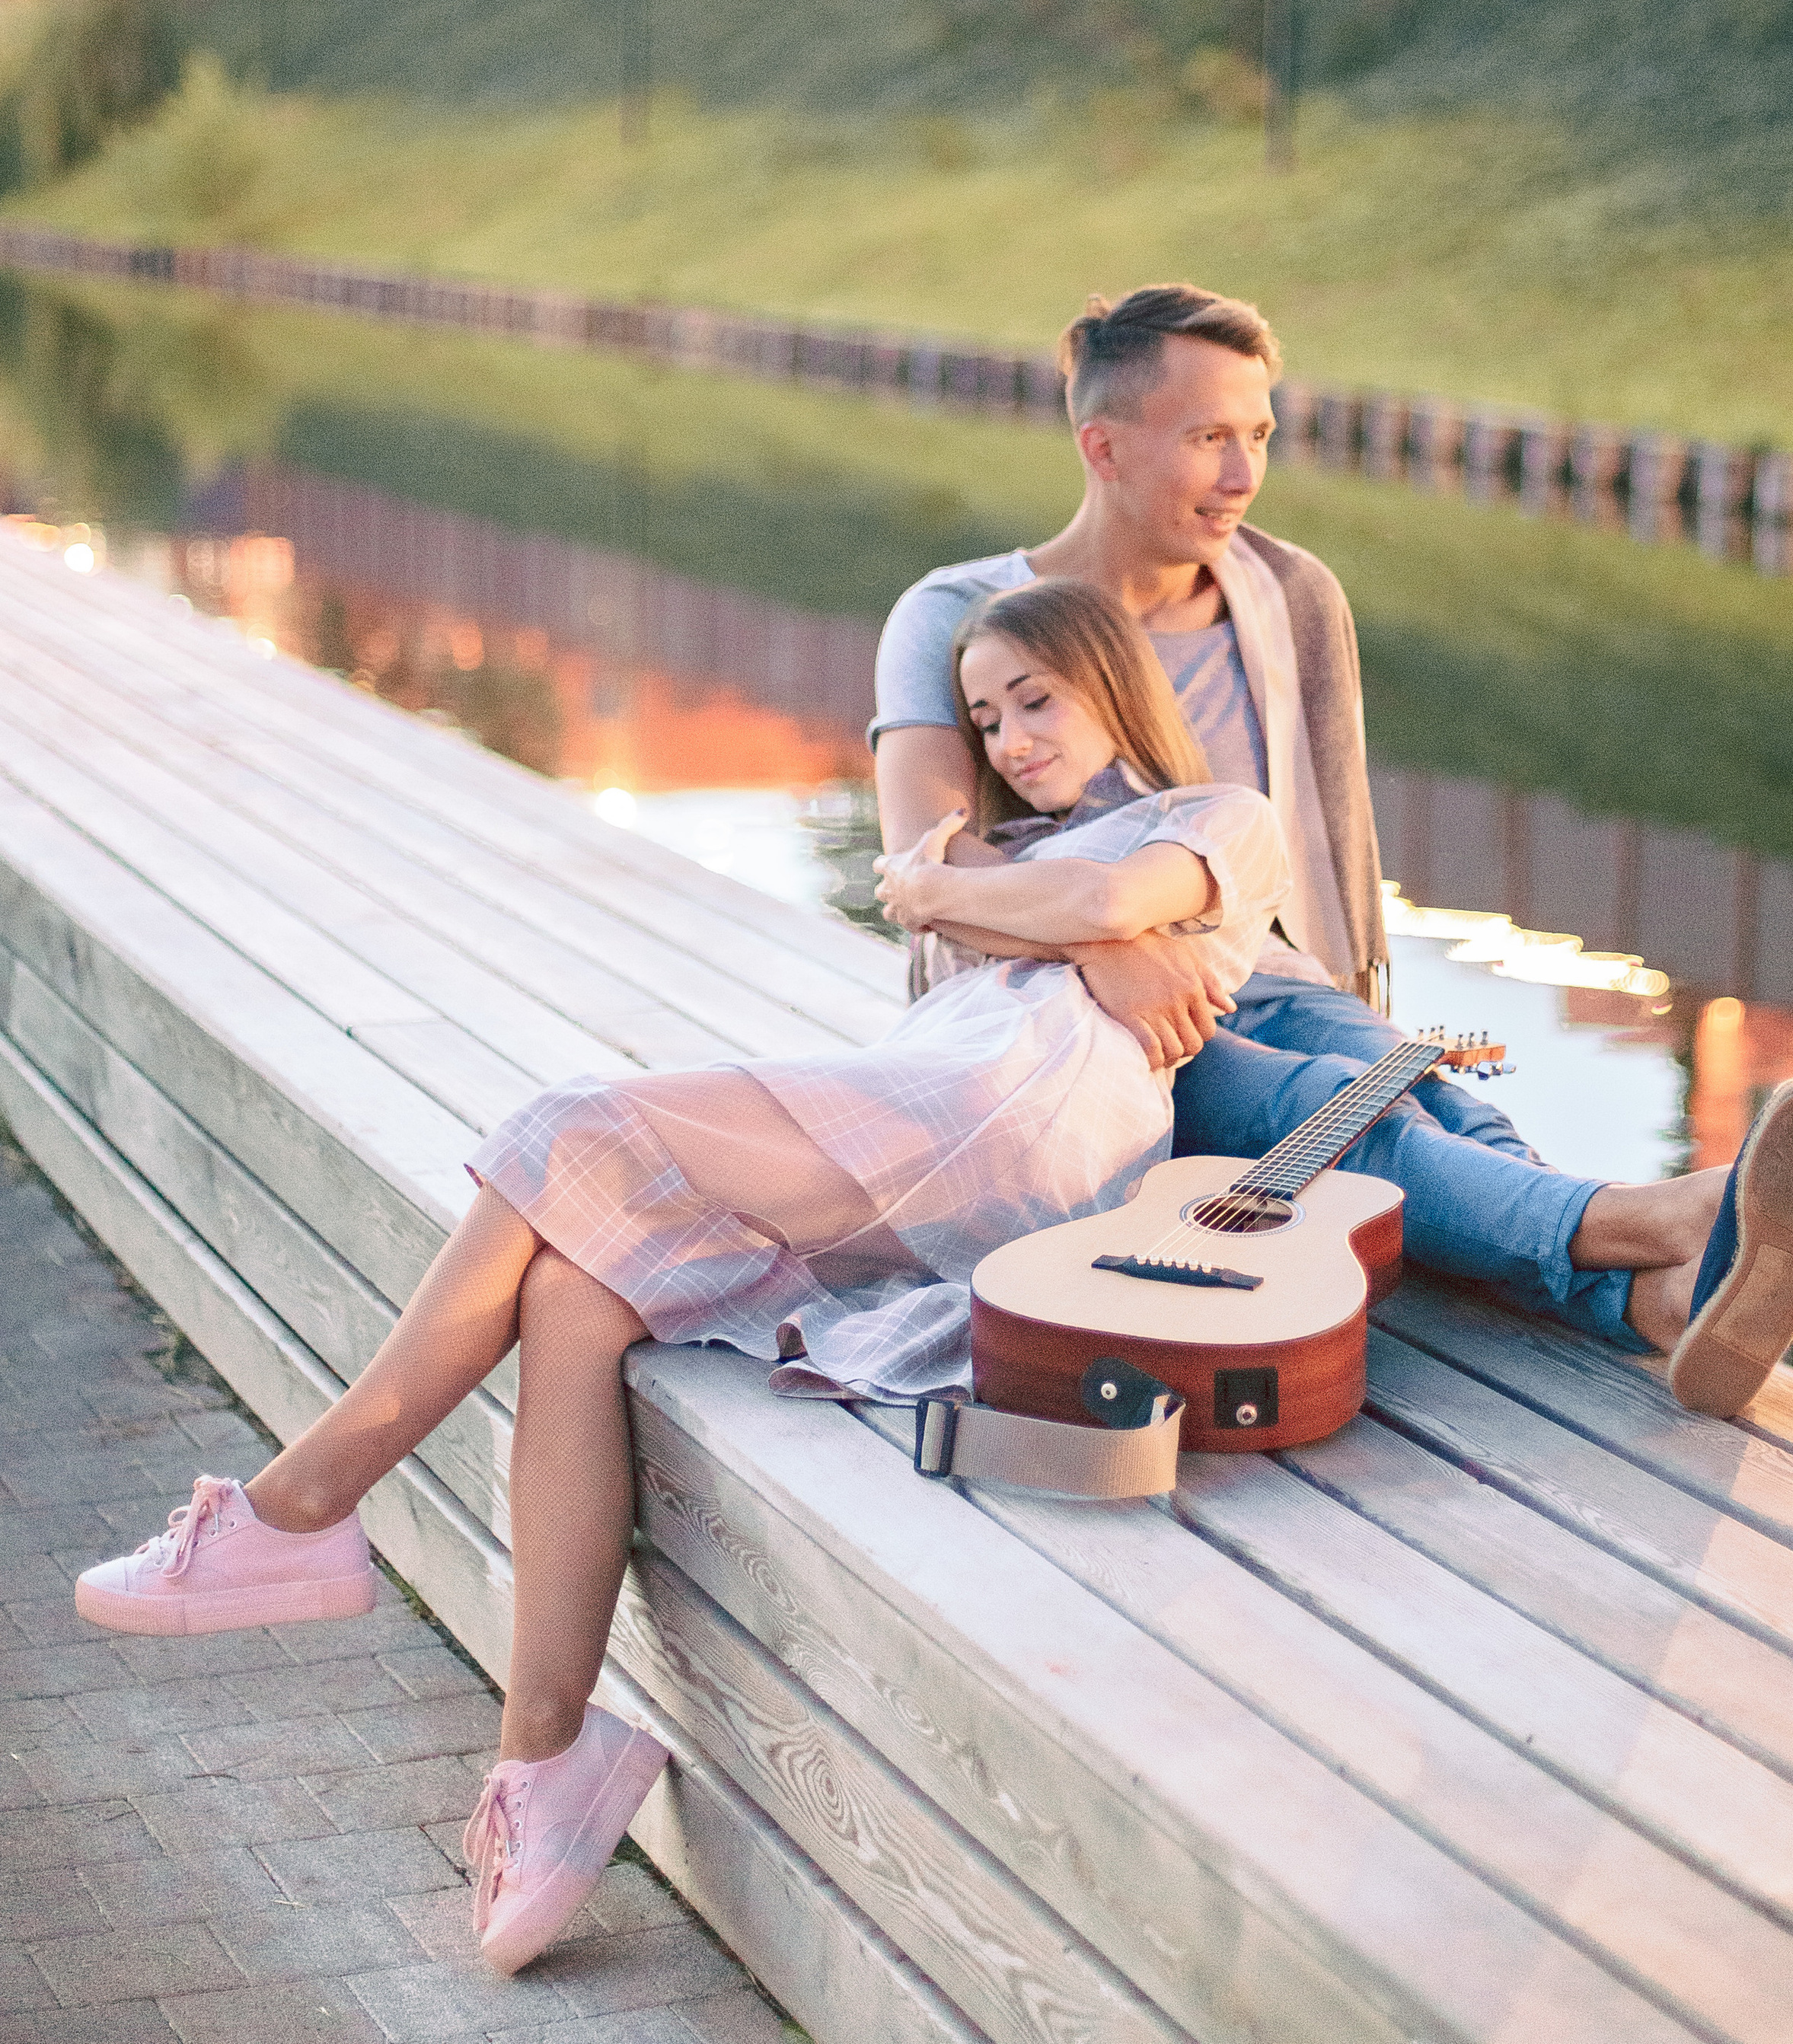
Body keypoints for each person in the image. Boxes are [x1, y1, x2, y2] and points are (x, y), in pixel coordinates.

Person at [70, 582, 1293, 1980]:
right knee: (573, 1293)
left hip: (1010, 1133)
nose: (1009, 738)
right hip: (937, 1129)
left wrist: (929, 885)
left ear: (1117, 684)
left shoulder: (1210, 816)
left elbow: (1108, 896)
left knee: (566, 1125)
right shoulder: (1014, 864)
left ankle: (303, 1503)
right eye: (986, 713)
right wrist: (1022, 912)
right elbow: (1074, 916)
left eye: (1037, 699)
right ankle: (547, 1764)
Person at [871, 282, 1793, 1386]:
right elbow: (930, 860)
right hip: (1075, 1015)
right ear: (1106, 447)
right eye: (1209, 438)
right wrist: (1112, 948)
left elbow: (1337, 828)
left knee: (1417, 1092)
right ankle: (1685, 1218)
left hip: (1262, 966)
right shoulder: (961, 616)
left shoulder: (1288, 595)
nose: (1243, 475)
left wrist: (1361, 1014)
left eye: (1259, 437)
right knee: (1325, 1113)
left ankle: (1659, 1300)